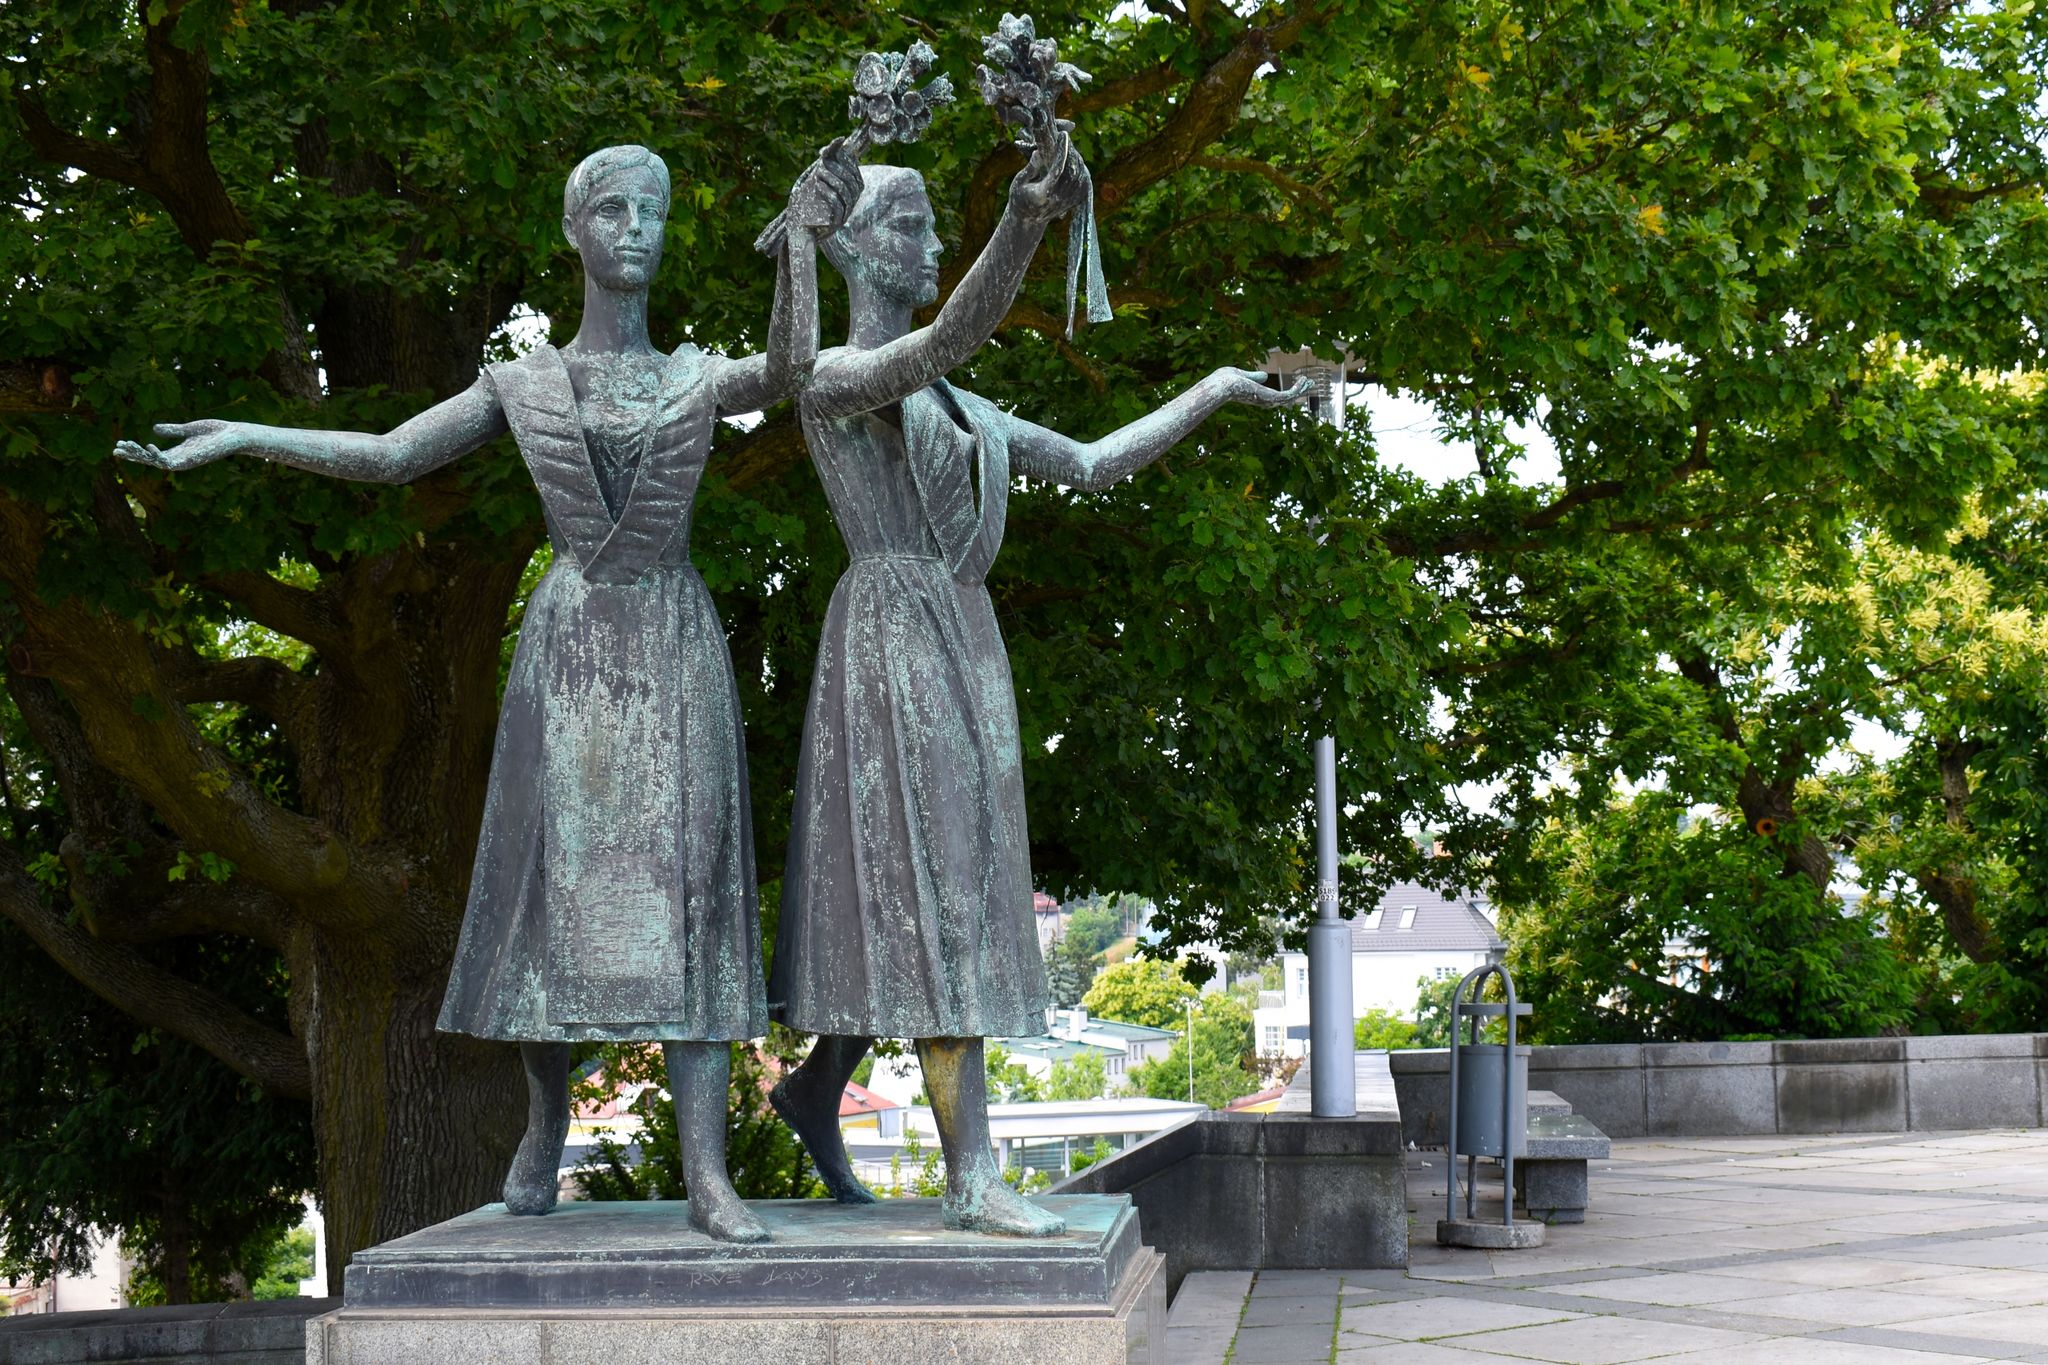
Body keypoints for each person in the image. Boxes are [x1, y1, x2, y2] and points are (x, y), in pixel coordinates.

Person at [115, 142, 860, 1245]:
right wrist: (246, 439)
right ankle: (543, 1121)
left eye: (652, 211)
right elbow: (390, 453)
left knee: (692, 887)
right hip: (566, 653)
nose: (636, 230)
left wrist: (798, 241)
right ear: (574, 232)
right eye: (611, 210)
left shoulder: (697, 374)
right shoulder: (522, 383)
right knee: (548, 888)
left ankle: (709, 1172)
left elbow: (791, 369)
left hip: (669, 641)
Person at [767, 137, 1309, 1235]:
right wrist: (1024, 216)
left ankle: (818, 1087)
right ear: (858, 249)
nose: (930, 246)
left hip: (955, 642)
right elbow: (953, 330)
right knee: (940, 887)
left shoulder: (957, 402)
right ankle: (971, 1181)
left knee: (931, 883)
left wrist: (1212, 391)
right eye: (913, 229)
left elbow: (1094, 463)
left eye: (932, 227)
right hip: (891, 644)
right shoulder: (837, 375)